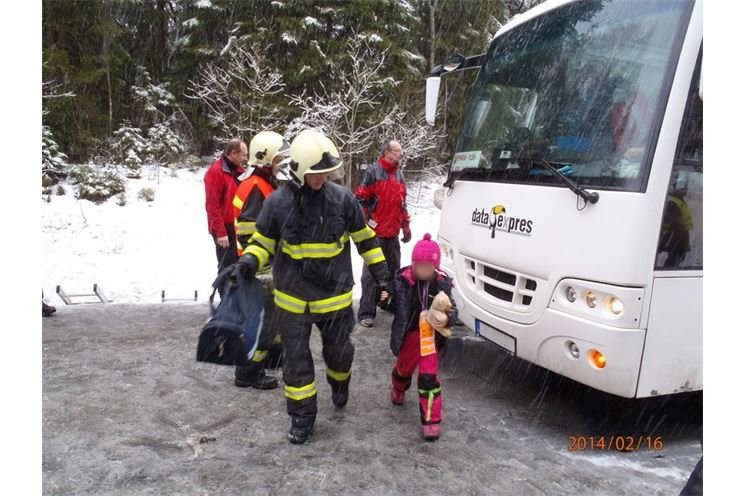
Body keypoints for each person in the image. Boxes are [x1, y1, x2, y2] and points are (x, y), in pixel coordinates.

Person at [231, 129, 389, 444]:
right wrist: (249, 262)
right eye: (315, 174)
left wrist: (383, 274)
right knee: (296, 362)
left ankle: (340, 382)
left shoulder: (343, 200)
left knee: (340, 354)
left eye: (326, 174)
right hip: (293, 299)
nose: (321, 179)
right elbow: (262, 241)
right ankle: (302, 416)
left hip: (334, 297)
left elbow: (365, 241)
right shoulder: (277, 203)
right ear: (300, 171)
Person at [380, 233, 457, 441]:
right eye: (419, 266)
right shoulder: (402, 282)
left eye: (427, 267)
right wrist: (385, 299)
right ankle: (398, 387)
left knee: (429, 378)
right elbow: (391, 304)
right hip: (409, 336)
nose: (423, 270)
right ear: (413, 264)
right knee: (403, 369)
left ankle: (431, 420)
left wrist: (448, 317)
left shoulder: (442, 285)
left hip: (430, 339)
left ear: (434, 266)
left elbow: (452, 310)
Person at [231, 131, 289, 390]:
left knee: (271, 321)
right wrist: (265, 271)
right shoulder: (256, 189)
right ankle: (247, 372)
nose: (283, 164)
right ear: (266, 160)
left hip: (264, 267)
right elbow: (249, 235)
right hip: (259, 270)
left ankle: (268, 359)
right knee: (261, 323)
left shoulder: (264, 185)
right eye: (279, 159)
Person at [354, 139, 412, 328]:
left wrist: (406, 227)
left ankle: (387, 302)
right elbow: (361, 198)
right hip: (375, 233)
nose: (400, 154)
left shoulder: (400, 176)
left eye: (401, 151)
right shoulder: (373, 171)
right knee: (371, 274)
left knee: (394, 272)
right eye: (397, 151)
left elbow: (403, 204)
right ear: (386, 152)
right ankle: (366, 312)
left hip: (393, 233)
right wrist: (362, 227)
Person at [204, 138, 247, 294]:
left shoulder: (240, 172)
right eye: (243, 155)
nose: (245, 158)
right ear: (233, 153)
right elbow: (212, 205)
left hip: (237, 226)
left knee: (238, 265)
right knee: (226, 267)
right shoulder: (215, 172)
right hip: (223, 228)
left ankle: (236, 302)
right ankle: (225, 304)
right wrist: (221, 233)